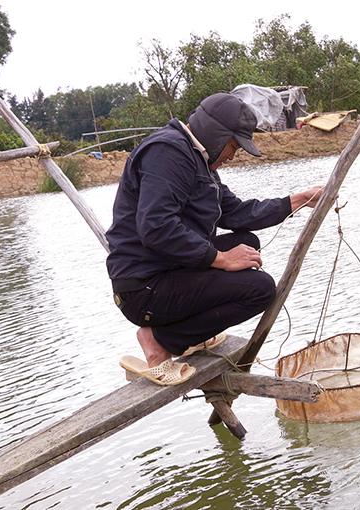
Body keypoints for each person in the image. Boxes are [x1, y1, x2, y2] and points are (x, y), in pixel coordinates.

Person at [106, 93, 324, 386]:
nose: (232, 155)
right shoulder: (168, 153)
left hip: (168, 269)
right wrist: (221, 260)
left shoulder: (198, 160)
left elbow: (234, 214)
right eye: (233, 146)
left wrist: (297, 200)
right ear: (216, 134)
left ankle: (192, 332)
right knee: (260, 289)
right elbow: (156, 228)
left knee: (246, 243)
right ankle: (159, 341)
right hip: (143, 287)